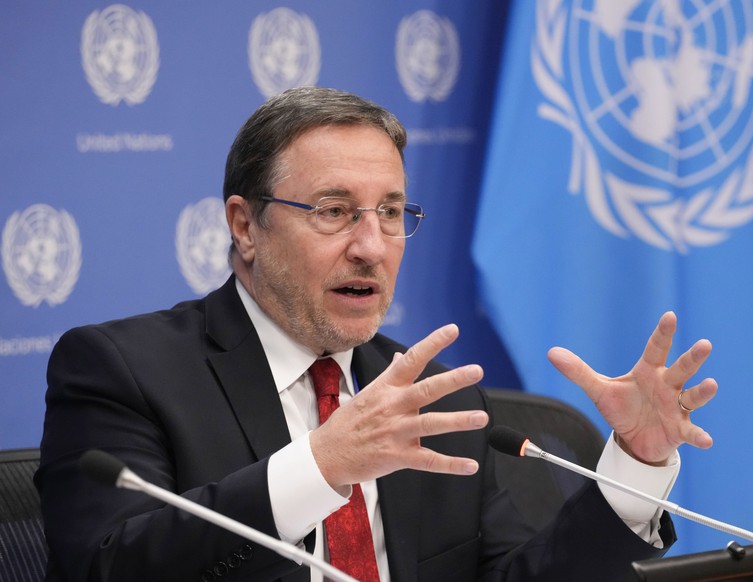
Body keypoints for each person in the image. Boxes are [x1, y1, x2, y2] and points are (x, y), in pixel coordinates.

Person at [36, 86, 718, 582]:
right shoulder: (121, 369)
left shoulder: (421, 394)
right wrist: (320, 466)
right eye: (334, 211)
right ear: (245, 226)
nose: (371, 246)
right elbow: (106, 566)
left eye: (390, 213)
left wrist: (635, 465)